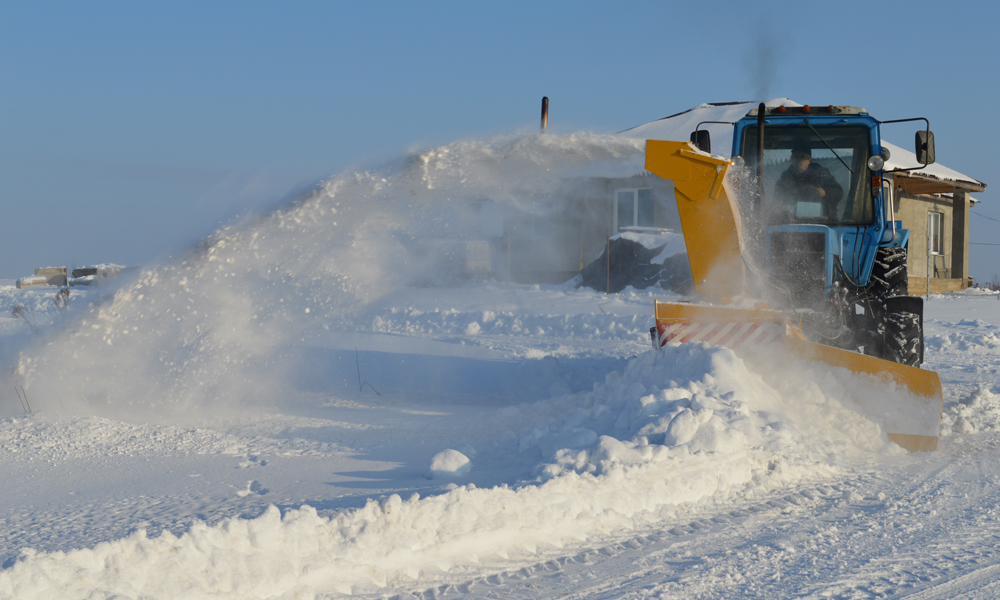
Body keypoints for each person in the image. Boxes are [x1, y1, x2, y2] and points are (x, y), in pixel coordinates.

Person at [773, 145, 843, 220]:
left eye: (802, 157)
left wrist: (825, 193)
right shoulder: (785, 177)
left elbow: (838, 192)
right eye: (795, 157)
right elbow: (777, 198)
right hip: (792, 224)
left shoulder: (822, 174)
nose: (798, 160)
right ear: (791, 159)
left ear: (809, 160)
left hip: (823, 222)